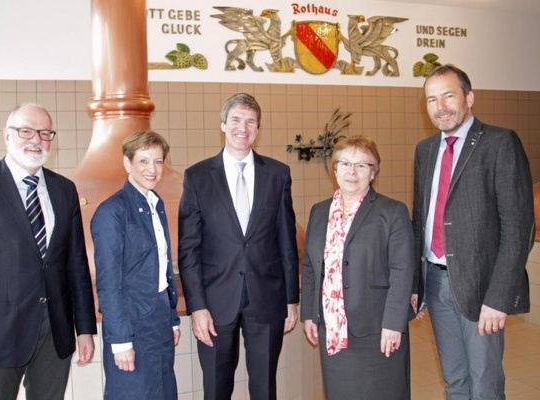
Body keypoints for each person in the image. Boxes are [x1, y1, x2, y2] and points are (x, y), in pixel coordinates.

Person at [0, 103, 97, 400]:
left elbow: (75, 266)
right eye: (25, 131)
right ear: (7, 136)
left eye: (44, 132)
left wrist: (85, 329)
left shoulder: (64, 190)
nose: (36, 139)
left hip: (55, 334)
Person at [412, 64, 534, 399]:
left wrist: (498, 297)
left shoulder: (499, 143)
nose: (441, 106)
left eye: (449, 95)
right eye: (432, 99)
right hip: (436, 283)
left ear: (469, 97)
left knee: (484, 384)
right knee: (454, 380)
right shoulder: (424, 151)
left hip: (482, 288)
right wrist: (416, 284)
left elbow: (518, 227)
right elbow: (419, 218)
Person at [178, 92, 299, 399]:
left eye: (250, 121)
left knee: (264, 387)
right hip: (216, 302)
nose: (242, 128)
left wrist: (291, 299)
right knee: (216, 388)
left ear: (258, 128)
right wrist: (197, 307)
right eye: (235, 120)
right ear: (223, 124)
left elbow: (286, 240)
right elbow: (189, 249)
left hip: (267, 299)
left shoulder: (278, 174)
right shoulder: (197, 177)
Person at [301, 135, 416, 399]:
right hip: (332, 327)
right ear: (335, 168)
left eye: (362, 165)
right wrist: (310, 313)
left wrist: (393, 323)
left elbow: (402, 271)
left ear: (373, 173)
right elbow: (310, 266)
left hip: (377, 329)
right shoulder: (319, 211)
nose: (352, 172)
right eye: (345, 163)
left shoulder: (392, 211)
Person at [91, 130, 180, 400]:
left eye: (157, 161)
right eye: (143, 161)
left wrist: (172, 318)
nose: (151, 169)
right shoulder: (111, 212)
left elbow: (161, 267)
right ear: (127, 163)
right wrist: (120, 341)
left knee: (164, 393)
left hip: (160, 318)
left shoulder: (156, 203)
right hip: (131, 323)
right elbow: (108, 283)